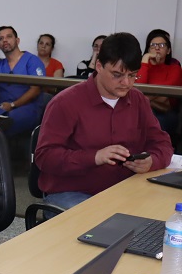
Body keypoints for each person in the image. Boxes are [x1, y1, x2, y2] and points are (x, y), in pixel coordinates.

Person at [36, 32, 173, 211]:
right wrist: (94, 157)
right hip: (72, 191)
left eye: (133, 75)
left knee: (163, 215)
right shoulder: (65, 103)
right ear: (99, 66)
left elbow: (163, 144)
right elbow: (45, 157)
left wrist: (151, 161)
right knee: (105, 220)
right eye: (117, 75)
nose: (126, 83)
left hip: (123, 189)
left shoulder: (138, 100)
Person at [135, 29, 182, 137]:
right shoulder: (142, 67)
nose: (157, 48)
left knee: (152, 118)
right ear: (148, 49)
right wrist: (145, 59)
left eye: (161, 45)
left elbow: (165, 96)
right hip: (143, 109)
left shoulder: (175, 68)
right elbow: (138, 88)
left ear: (168, 50)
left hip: (166, 112)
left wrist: (141, 98)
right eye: (153, 45)